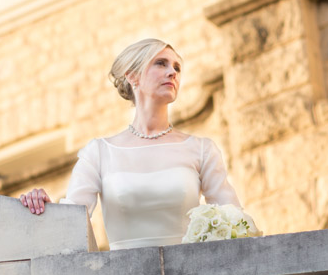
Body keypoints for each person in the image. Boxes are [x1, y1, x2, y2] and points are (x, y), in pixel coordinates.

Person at [19, 38, 248, 250]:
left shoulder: (201, 149)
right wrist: (42, 204)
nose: (172, 72)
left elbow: (235, 220)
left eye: (177, 67)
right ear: (133, 76)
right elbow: (70, 218)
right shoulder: (99, 153)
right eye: (161, 63)